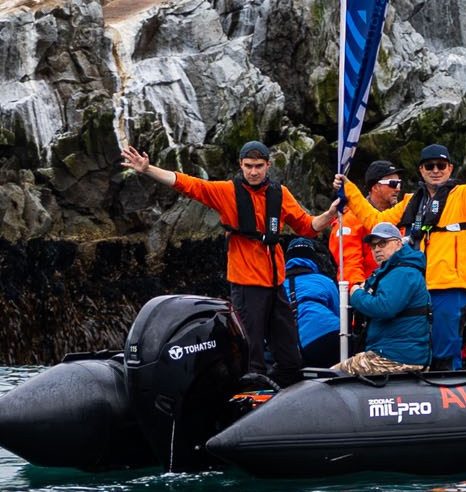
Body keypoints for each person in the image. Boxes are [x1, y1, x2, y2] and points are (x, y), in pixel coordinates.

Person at [122, 139, 337, 384]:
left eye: (258, 166)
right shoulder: (227, 192)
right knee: (252, 356)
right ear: (240, 165)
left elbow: (308, 226)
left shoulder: (279, 193)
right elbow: (188, 184)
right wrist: (148, 169)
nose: (253, 172)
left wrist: (329, 214)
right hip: (247, 285)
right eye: (248, 166)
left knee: (290, 358)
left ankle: (283, 395)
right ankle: (251, 395)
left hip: (276, 284)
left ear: (268, 165)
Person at [342, 117, 466, 368]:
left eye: (441, 165)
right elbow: (375, 221)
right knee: (420, 346)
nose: (436, 170)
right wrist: (349, 189)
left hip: (449, 286)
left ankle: (452, 387)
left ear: (450, 168)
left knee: (446, 347)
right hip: (417, 286)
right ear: (421, 170)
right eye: (429, 166)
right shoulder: (411, 201)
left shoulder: (463, 197)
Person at [337, 223, 432, 375]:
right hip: (390, 352)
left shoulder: (402, 273)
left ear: (398, 244)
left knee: (333, 377)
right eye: (373, 246)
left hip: (397, 357)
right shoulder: (392, 271)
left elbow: (384, 308)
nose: (377, 249)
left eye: (382, 243)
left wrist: (356, 295)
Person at [331, 159, 400, 285]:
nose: (398, 189)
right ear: (375, 187)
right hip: (369, 289)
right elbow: (349, 264)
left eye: (399, 183)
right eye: (393, 183)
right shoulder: (350, 220)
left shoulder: (401, 215)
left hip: (401, 286)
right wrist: (359, 290)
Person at [283, 237, 342, 368]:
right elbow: (339, 312)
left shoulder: (279, 287)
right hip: (332, 333)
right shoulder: (325, 281)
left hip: (298, 343)